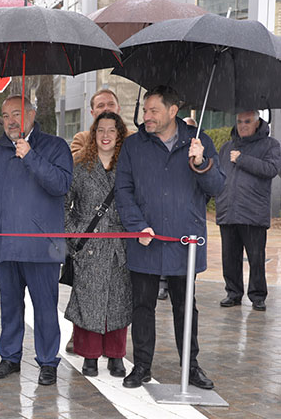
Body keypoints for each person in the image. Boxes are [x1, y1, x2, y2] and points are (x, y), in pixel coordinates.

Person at [115, 85, 224, 390]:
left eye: (154, 111)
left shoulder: (197, 143)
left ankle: (190, 366)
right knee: (142, 305)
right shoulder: (134, 146)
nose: (146, 117)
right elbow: (123, 190)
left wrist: (202, 163)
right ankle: (141, 366)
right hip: (145, 239)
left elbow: (217, 189)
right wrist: (138, 225)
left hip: (184, 243)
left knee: (185, 306)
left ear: (173, 111)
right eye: (146, 110)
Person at [0, 95, 72, 386]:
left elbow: (61, 185)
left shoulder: (55, 147)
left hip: (43, 248)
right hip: (6, 247)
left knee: (44, 308)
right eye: (5, 116)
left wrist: (31, 156)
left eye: (17, 114)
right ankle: (10, 356)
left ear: (32, 113)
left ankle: (47, 361)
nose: (11, 121)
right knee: (10, 307)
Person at [64, 112, 132, 378]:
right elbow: (63, 202)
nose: (105, 135)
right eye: (100, 130)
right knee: (87, 299)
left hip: (118, 245)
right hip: (87, 244)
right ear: (93, 134)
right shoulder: (79, 165)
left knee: (119, 300)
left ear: (119, 135)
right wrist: (72, 233)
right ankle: (89, 356)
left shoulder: (127, 167)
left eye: (111, 131)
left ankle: (116, 355)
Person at [216, 110, 281, 311]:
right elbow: (218, 175)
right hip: (228, 210)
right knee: (230, 257)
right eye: (239, 121)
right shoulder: (227, 147)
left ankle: (258, 295)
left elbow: (271, 170)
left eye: (247, 121)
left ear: (257, 123)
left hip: (253, 213)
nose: (242, 125)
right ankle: (233, 293)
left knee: (256, 258)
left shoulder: (270, 145)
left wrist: (243, 159)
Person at [70, 89, 121, 160]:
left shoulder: (131, 138)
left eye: (111, 104)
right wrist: (94, 140)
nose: (106, 108)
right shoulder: (81, 138)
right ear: (92, 113)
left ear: (118, 109)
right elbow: (73, 163)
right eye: (101, 106)